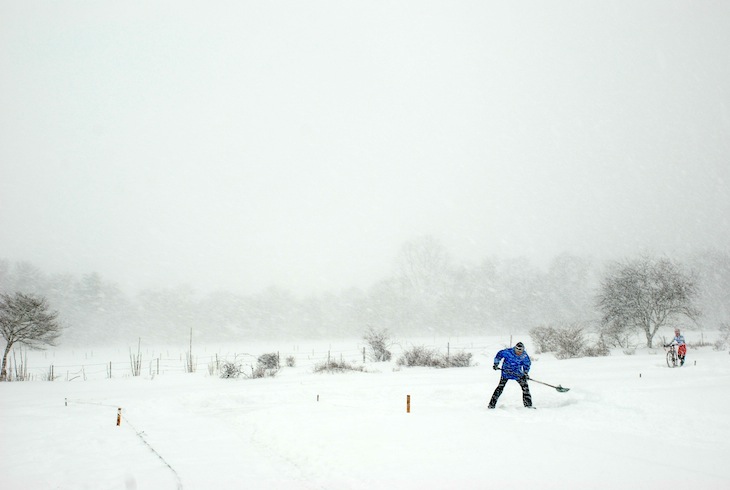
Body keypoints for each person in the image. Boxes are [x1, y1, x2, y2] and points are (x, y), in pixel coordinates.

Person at [488, 342, 533, 409]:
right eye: (517, 351)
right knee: (500, 388)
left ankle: (528, 405)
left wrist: (525, 373)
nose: (519, 352)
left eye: (520, 351)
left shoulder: (524, 356)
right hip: (506, 372)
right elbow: (499, 355)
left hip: (518, 374)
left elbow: (527, 365)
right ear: (515, 349)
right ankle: (491, 405)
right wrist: (496, 364)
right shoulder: (508, 352)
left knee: (525, 388)